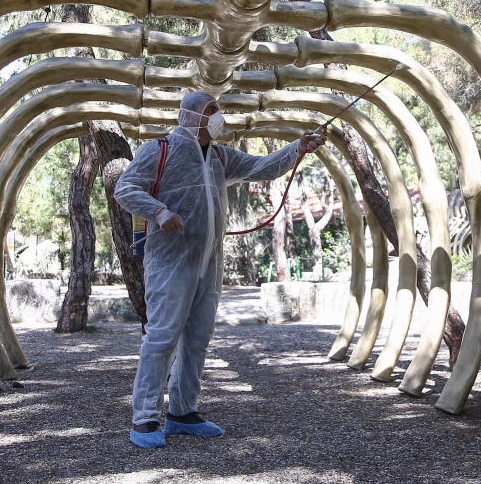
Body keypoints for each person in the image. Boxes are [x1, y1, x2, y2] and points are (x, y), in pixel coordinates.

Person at [114, 91, 326, 449]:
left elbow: (263, 166)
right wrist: (160, 212)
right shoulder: (159, 150)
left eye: (218, 110)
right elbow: (125, 187)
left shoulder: (220, 156)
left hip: (208, 263)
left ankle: (182, 413)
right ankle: (145, 419)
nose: (218, 117)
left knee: (197, 339)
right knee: (162, 338)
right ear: (190, 115)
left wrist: (298, 148)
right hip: (169, 261)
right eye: (211, 111)